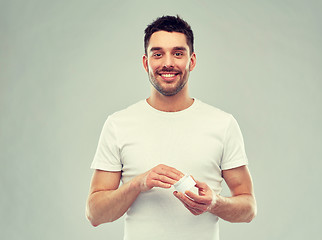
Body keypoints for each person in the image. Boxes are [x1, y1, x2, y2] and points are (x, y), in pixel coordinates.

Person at [86, 15, 257, 240]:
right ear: (146, 62)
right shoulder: (118, 125)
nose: (168, 62)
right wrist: (137, 183)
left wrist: (215, 202)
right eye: (158, 54)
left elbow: (248, 208)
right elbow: (95, 214)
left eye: (178, 53)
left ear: (192, 61)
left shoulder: (223, 124)